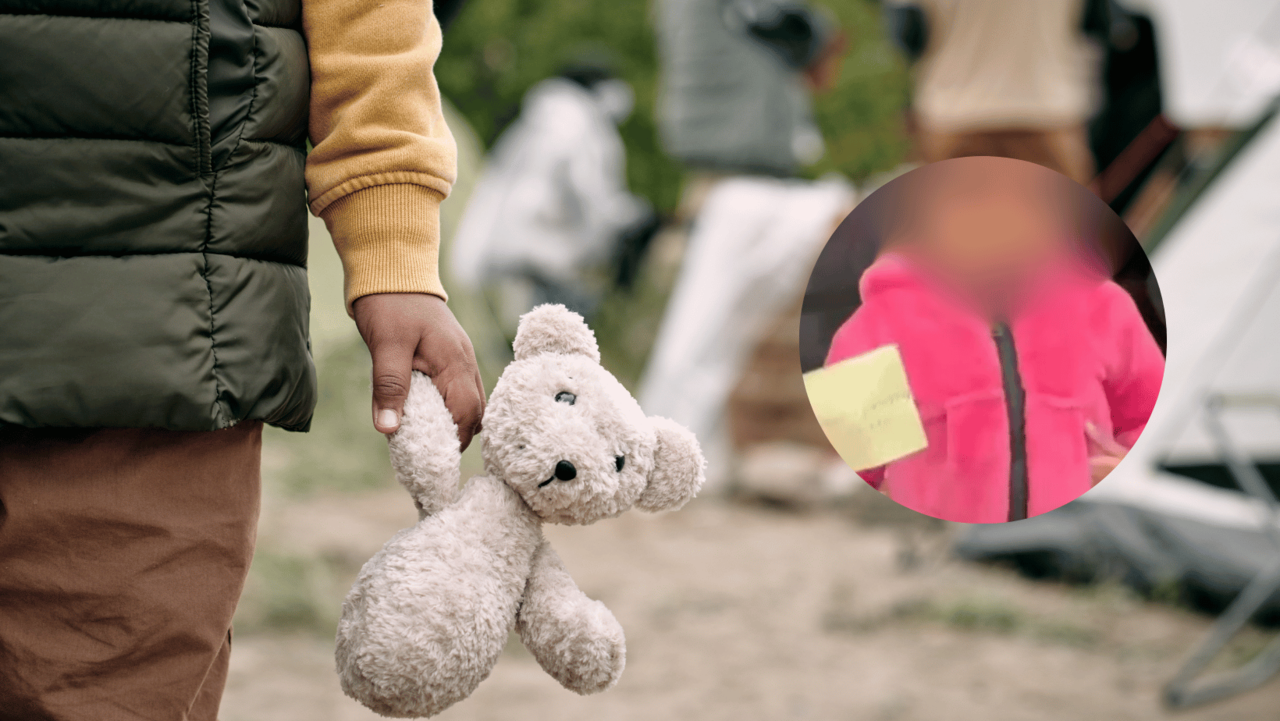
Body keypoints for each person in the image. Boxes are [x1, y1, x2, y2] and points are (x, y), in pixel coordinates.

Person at [0, 1, 483, 718]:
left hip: (160, 326)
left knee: (105, 692)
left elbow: (371, 18)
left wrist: (393, 250)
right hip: (174, 309)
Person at [824, 157, 1164, 523]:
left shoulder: (1105, 307)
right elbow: (852, 462)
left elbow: (1151, 418)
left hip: (1068, 542)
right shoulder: (878, 322)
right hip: (949, 550)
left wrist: (1122, 468)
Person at [450, 54, 656, 325]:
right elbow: (590, 191)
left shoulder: (548, 115)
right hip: (538, 243)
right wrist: (628, 215)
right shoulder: (577, 124)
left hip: (508, 232)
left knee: (490, 319)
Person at [884, 0, 1105, 185]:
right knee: (1068, 233)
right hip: (1048, 112)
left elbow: (907, 36)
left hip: (953, 116)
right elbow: (1100, 23)